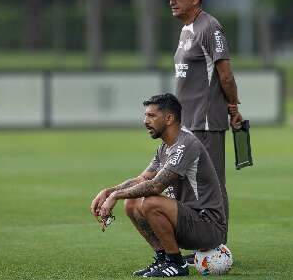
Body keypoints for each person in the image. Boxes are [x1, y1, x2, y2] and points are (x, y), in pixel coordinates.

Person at [90, 93, 227, 277]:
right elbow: (142, 180)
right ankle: (163, 259)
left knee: (150, 202)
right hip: (187, 221)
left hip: (208, 226)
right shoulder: (165, 147)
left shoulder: (186, 144)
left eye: (152, 116)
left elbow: (155, 187)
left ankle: (176, 264)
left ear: (169, 118)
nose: (145, 121)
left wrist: (115, 196)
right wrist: (110, 191)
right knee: (131, 202)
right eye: (146, 115)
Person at [159, 0, 243, 249]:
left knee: (212, 185)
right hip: (186, 123)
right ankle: (196, 243)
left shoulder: (210, 27)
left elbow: (225, 75)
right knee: (184, 185)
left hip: (206, 122)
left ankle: (218, 247)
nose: (172, 1)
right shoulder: (187, 29)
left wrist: (233, 107)